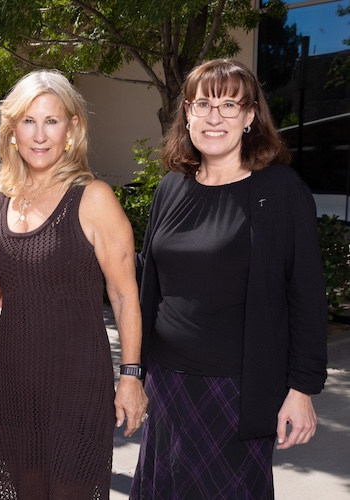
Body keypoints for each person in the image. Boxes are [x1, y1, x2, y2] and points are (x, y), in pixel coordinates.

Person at [130, 59, 328, 499]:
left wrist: (302, 389)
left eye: (229, 105)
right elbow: (149, 282)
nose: (214, 116)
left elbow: (307, 295)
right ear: (187, 112)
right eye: (203, 104)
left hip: (238, 391)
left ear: (250, 116)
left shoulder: (279, 191)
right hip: (167, 382)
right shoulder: (171, 187)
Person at [0, 70, 147, 499]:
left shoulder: (93, 197)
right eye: (28, 121)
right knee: (25, 490)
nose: (40, 135)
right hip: (15, 378)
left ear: (72, 128)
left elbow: (126, 294)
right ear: (12, 129)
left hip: (76, 383)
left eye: (52, 121)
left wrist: (130, 376)